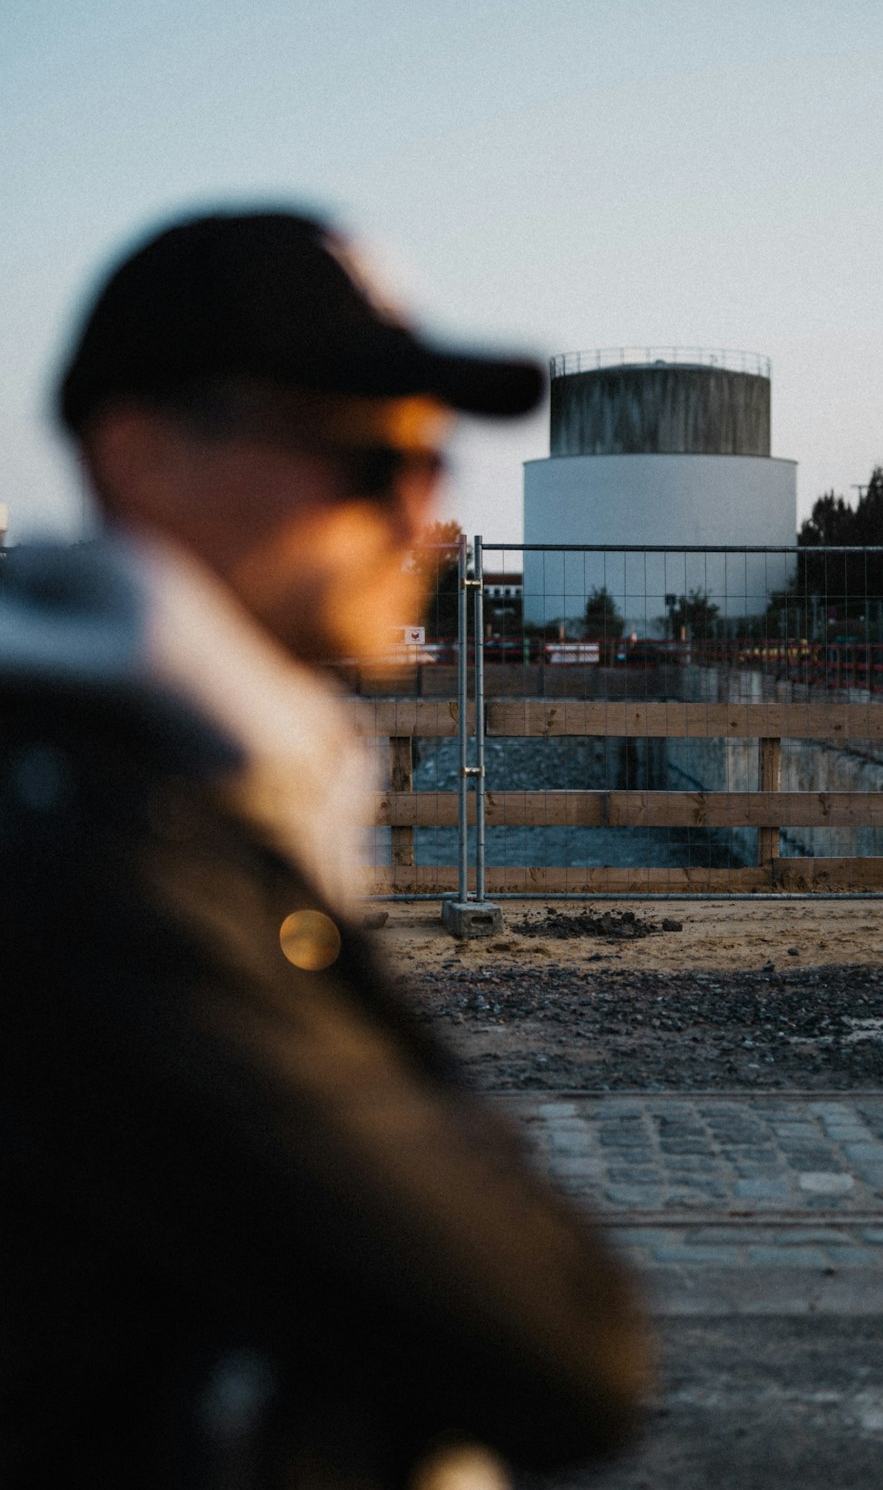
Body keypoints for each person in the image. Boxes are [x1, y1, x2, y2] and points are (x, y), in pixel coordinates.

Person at [0, 211, 651, 1489]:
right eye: (357, 451)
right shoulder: (98, 857)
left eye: (430, 455)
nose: (416, 504)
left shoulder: (162, 788)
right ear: (140, 456)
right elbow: (565, 1347)